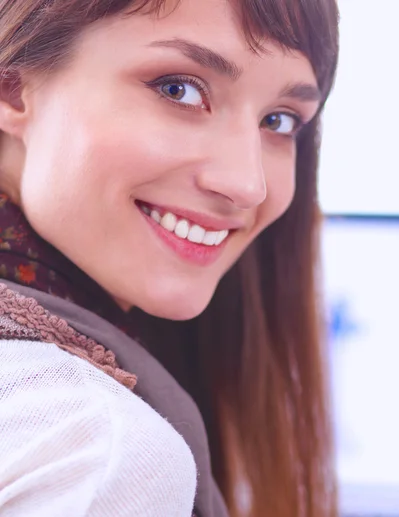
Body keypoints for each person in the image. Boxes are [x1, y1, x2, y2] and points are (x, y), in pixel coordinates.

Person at [0, 0, 339, 516]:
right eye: (178, 89)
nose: (246, 184)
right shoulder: (98, 447)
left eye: (279, 120)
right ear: (11, 86)